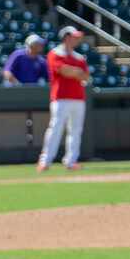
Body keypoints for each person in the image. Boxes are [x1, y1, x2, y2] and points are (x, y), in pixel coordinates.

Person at [37, 25, 89, 171]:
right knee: (56, 128)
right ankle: (45, 161)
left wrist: (75, 72)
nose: (77, 39)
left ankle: (71, 161)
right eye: (74, 37)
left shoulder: (78, 57)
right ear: (66, 37)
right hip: (61, 97)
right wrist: (76, 72)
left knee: (75, 130)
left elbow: (85, 75)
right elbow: (64, 71)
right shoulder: (55, 53)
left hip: (78, 97)